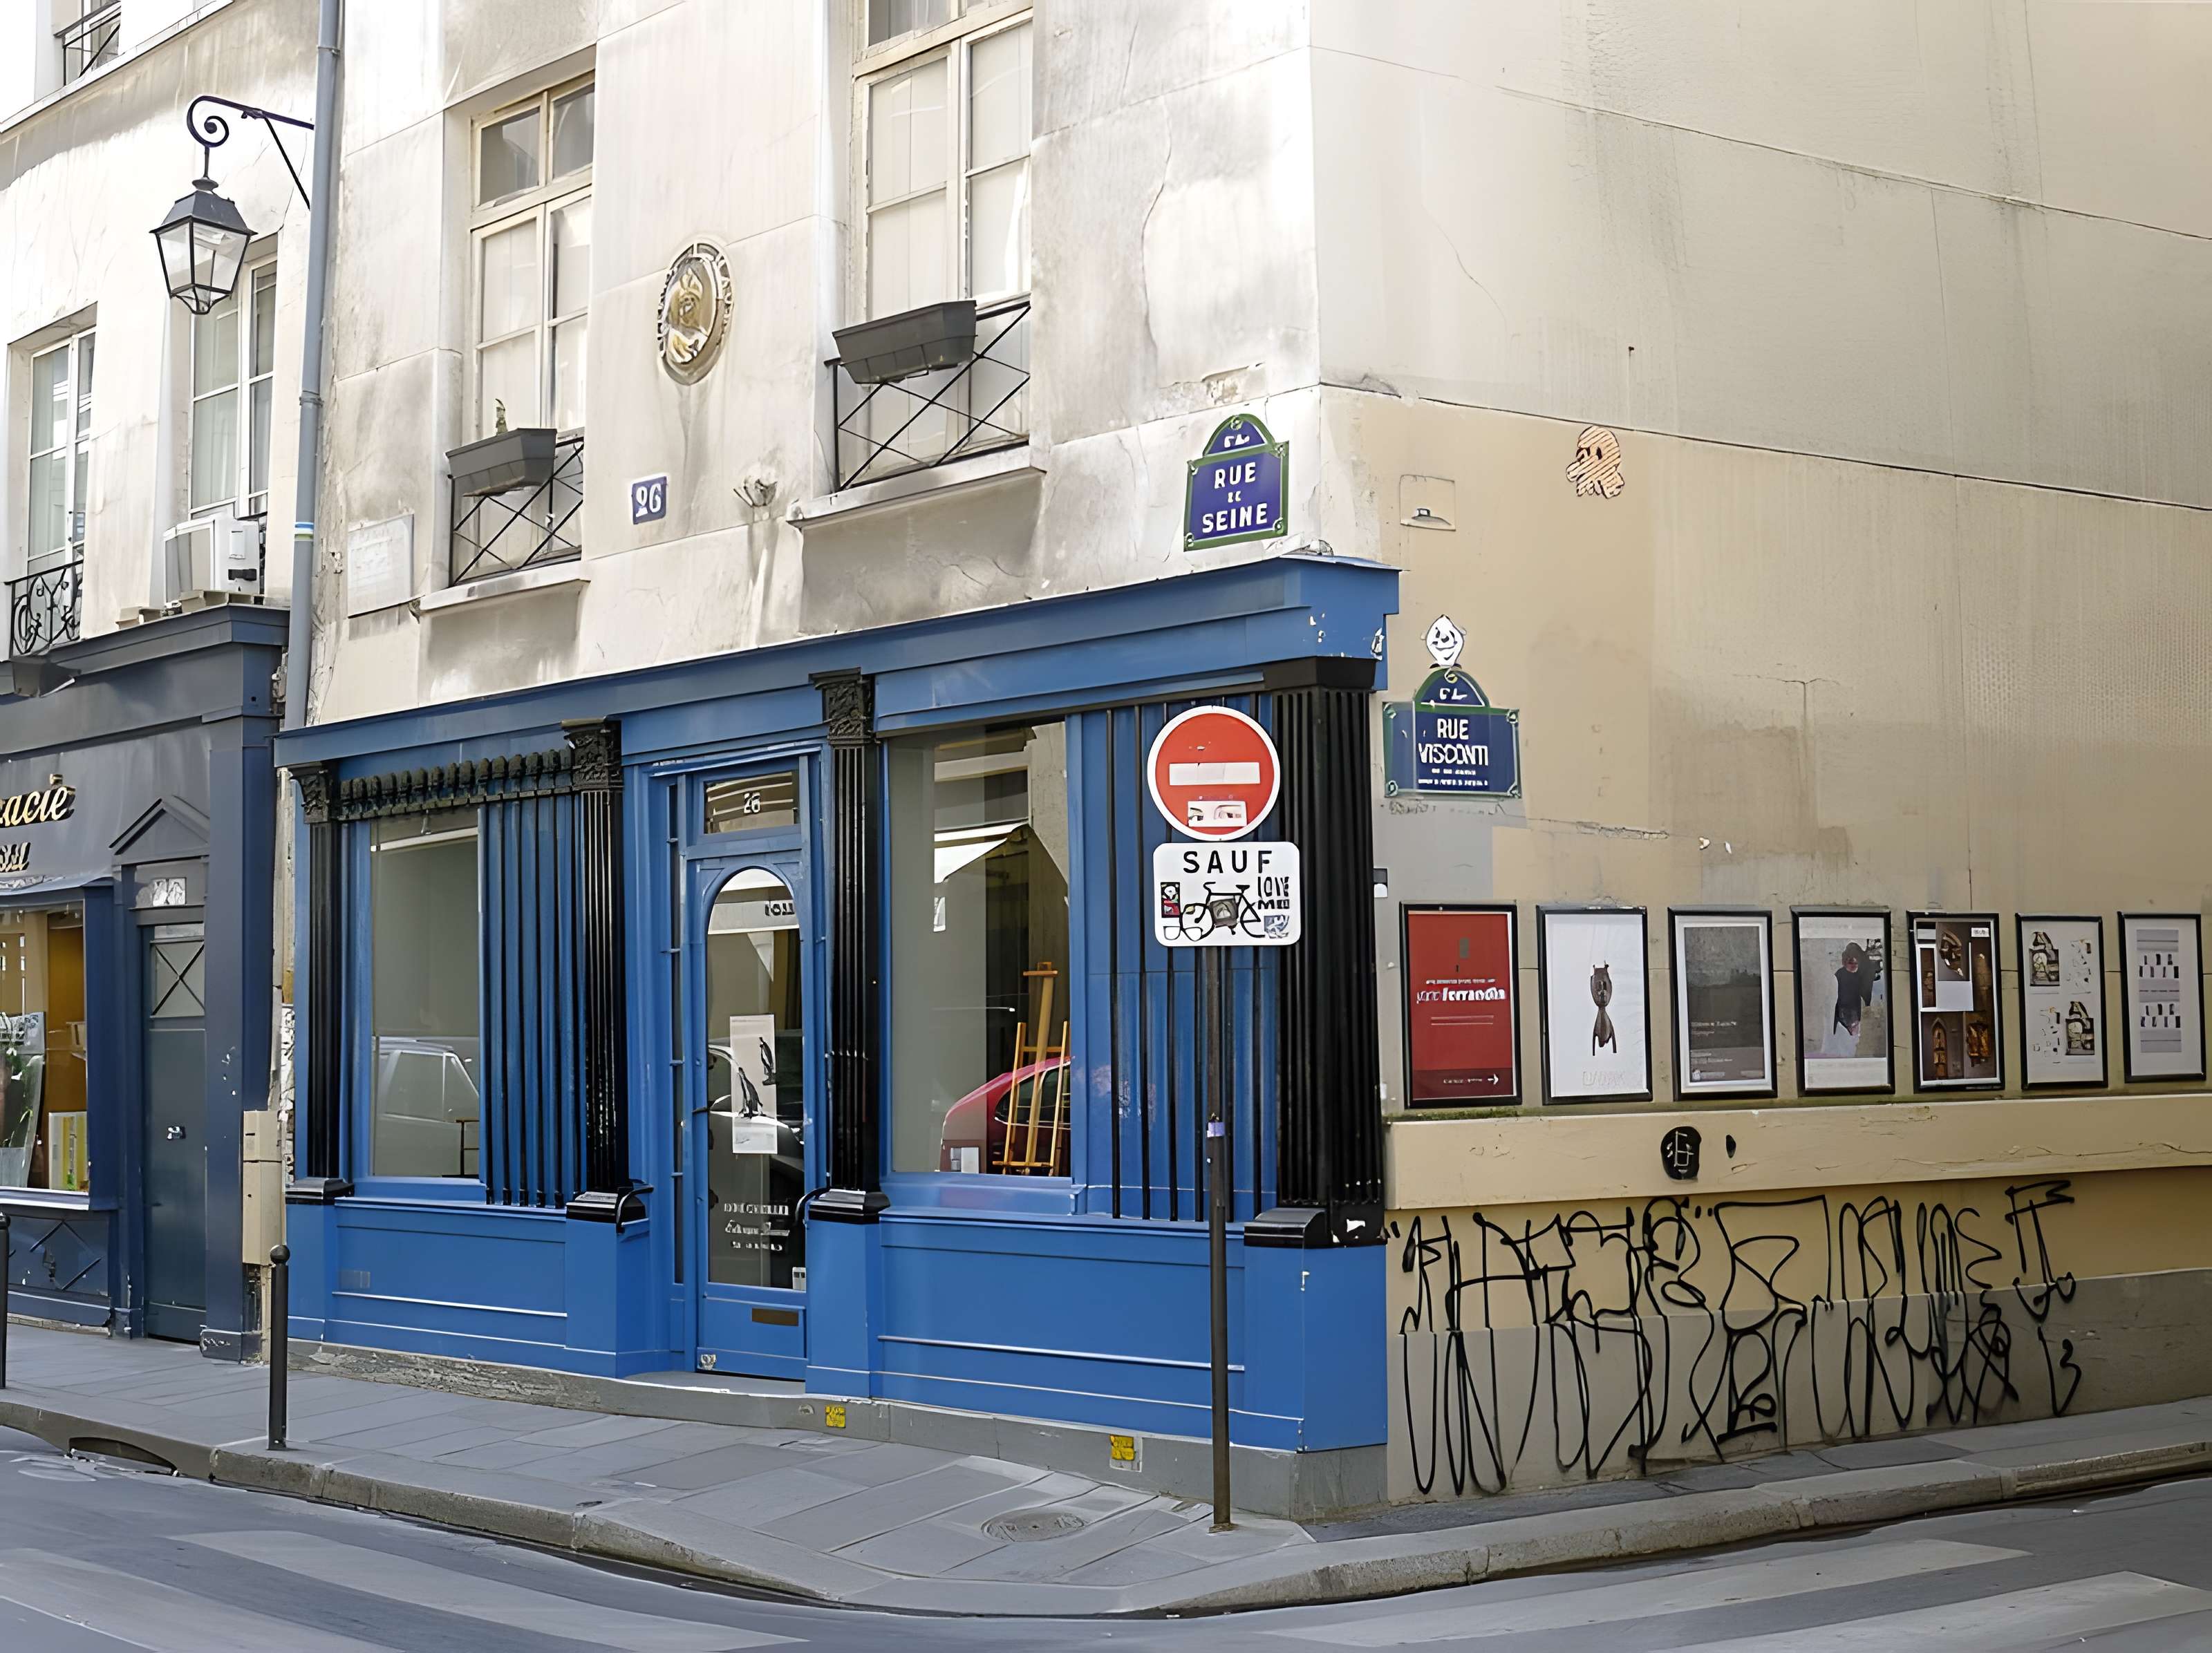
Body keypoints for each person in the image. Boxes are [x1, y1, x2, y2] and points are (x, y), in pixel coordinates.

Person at [1824, 942, 1879, 1057]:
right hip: (1845, 1016)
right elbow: (1835, 1001)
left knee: (1851, 1042)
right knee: (1847, 1043)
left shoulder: (1857, 976)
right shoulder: (1840, 976)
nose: (1854, 965)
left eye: (1856, 962)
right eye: (1851, 962)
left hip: (1851, 1015)